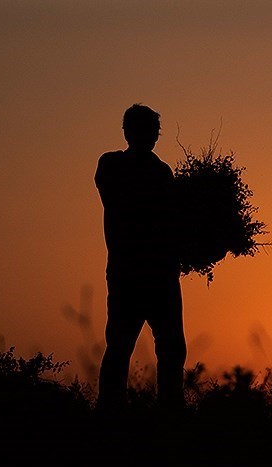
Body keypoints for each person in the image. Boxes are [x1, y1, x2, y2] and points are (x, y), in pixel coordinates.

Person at [94, 103, 185, 413]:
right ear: (128, 132)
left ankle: (169, 413)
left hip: (160, 274)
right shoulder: (111, 165)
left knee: (172, 349)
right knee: (119, 347)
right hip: (129, 273)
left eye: (154, 131)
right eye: (146, 130)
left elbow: (172, 220)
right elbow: (134, 205)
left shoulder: (162, 172)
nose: (151, 136)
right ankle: (110, 413)